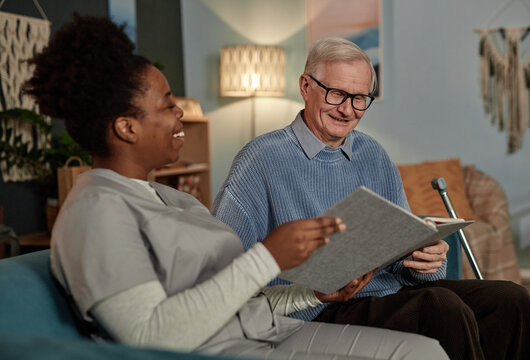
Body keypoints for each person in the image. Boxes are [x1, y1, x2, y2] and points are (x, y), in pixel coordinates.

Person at [23, 16, 449, 360]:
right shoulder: (96, 212)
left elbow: (235, 303)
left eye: (361, 98)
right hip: (232, 346)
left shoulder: (167, 198)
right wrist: (268, 257)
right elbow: (149, 336)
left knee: (431, 345)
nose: (181, 115)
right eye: (168, 103)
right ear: (126, 126)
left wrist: (313, 292)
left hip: (263, 327)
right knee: (428, 336)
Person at [213, 37, 530, 360]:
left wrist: (426, 260)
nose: (347, 110)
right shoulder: (260, 159)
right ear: (305, 86)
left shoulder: (373, 154)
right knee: (440, 308)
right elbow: (227, 268)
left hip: (387, 294)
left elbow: (400, 256)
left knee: (511, 299)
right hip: (315, 308)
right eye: (337, 93)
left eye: (359, 98)